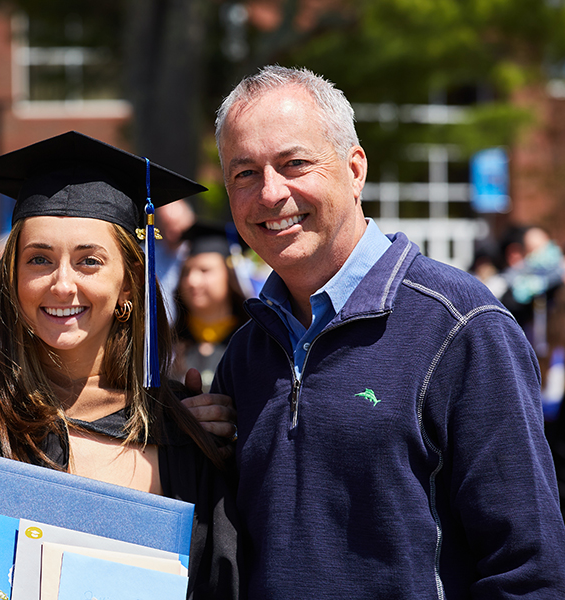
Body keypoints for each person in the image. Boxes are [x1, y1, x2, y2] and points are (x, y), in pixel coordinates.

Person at [212, 65, 565, 597]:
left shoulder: (461, 327)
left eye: (295, 164)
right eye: (244, 173)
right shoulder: (247, 353)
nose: (269, 193)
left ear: (355, 169)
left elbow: (530, 570)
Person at [0, 131, 240, 599]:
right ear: (13, 277)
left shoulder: (183, 435)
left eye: (89, 261)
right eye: (39, 260)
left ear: (128, 284)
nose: (62, 284)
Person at [172, 222, 249, 392]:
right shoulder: (167, 344)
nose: (192, 281)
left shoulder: (253, 340)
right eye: (186, 272)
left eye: (205, 270)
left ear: (229, 275)